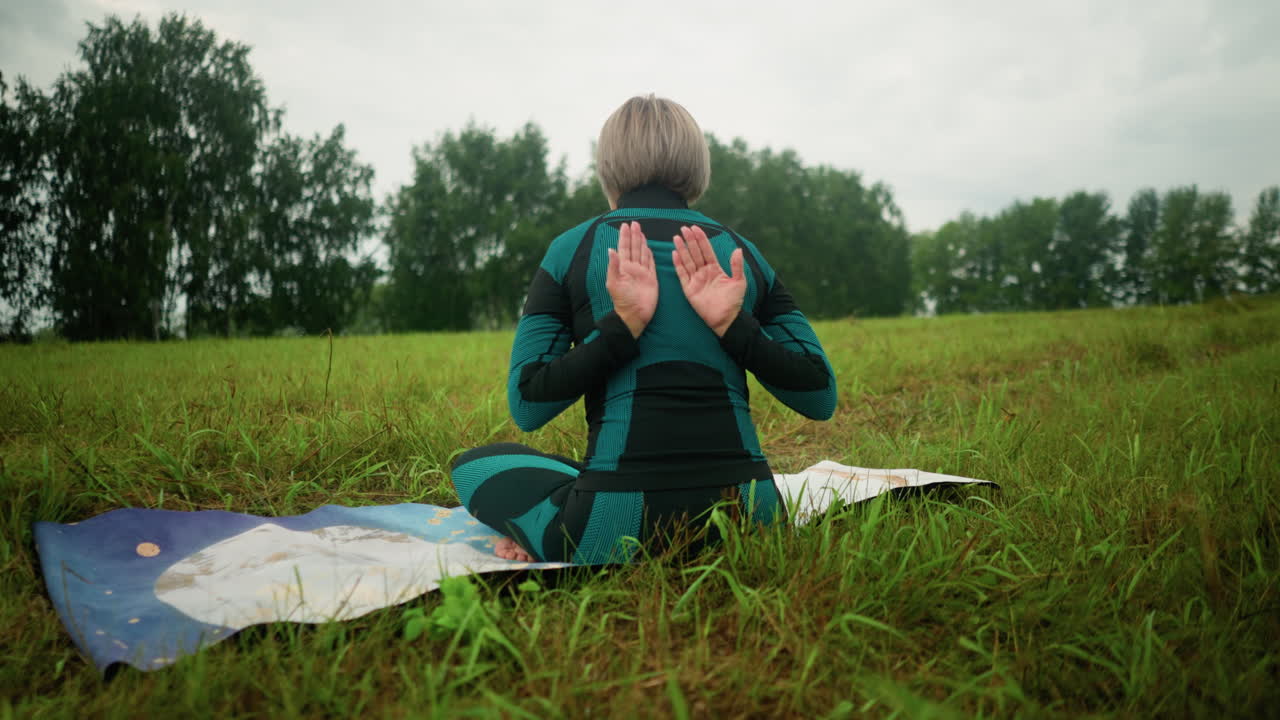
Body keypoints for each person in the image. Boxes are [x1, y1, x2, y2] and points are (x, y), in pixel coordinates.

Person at [450, 95, 837, 564]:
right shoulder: (740, 254)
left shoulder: (573, 248)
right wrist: (734, 327)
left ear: (608, 169)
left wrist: (621, 328)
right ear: (698, 167)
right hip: (751, 523)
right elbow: (819, 395)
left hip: (605, 531)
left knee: (474, 467)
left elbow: (529, 404)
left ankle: (545, 529)